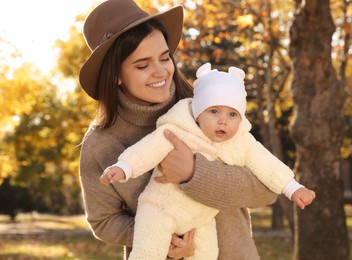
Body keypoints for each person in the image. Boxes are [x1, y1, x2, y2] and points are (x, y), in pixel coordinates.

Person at [78, 0, 278, 259]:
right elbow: (103, 221)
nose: (161, 71)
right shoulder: (101, 144)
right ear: (115, 74)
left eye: (164, 58)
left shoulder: (210, 110)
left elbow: (267, 190)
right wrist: (166, 238)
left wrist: (195, 173)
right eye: (143, 65)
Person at [101, 62, 316, 259]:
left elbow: (267, 166)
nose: (223, 120)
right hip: (161, 208)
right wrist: (124, 167)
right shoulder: (178, 131)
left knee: (208, 254)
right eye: (214, 111)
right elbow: (147, 149)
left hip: (201, 218)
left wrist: (293, 188)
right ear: (197, 114)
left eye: (233, 115)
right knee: (148, 250)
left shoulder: (242, 143)